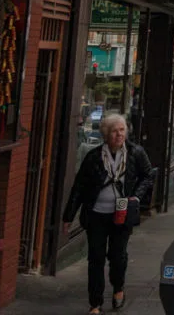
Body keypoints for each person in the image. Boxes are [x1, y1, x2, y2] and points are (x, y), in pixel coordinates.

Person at [63, 114, 154, 314]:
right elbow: (79, 187)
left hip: (122, 214)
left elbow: (148, 176)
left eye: (122, 130)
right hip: (96, 214)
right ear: (106, 134)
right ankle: (95, 303)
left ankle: (118, 288)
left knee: (117, 256)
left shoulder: (136, 152)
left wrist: (136, 197)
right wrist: (68, 217)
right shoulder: (94, 156)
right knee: (95, 258)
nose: (119, 134)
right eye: (114, 131)